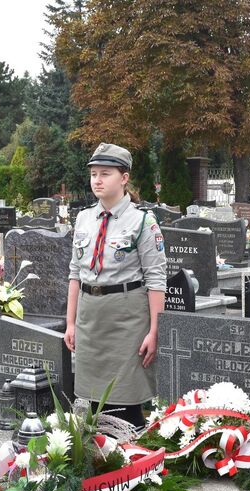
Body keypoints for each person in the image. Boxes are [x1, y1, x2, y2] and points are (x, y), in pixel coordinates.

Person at [63, 143, 167, 427]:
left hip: (126, 319)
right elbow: (75, 272)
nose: (97, 180)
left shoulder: (143, 221)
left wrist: (155, 331)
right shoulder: (84, 218)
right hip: (90, 317)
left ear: (124, 178)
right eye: (93, 174)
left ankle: (130, 451)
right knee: (93, 401)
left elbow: (156, 279)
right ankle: (103, 451)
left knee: (126, 399)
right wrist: (70, 322)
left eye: (105, 174)